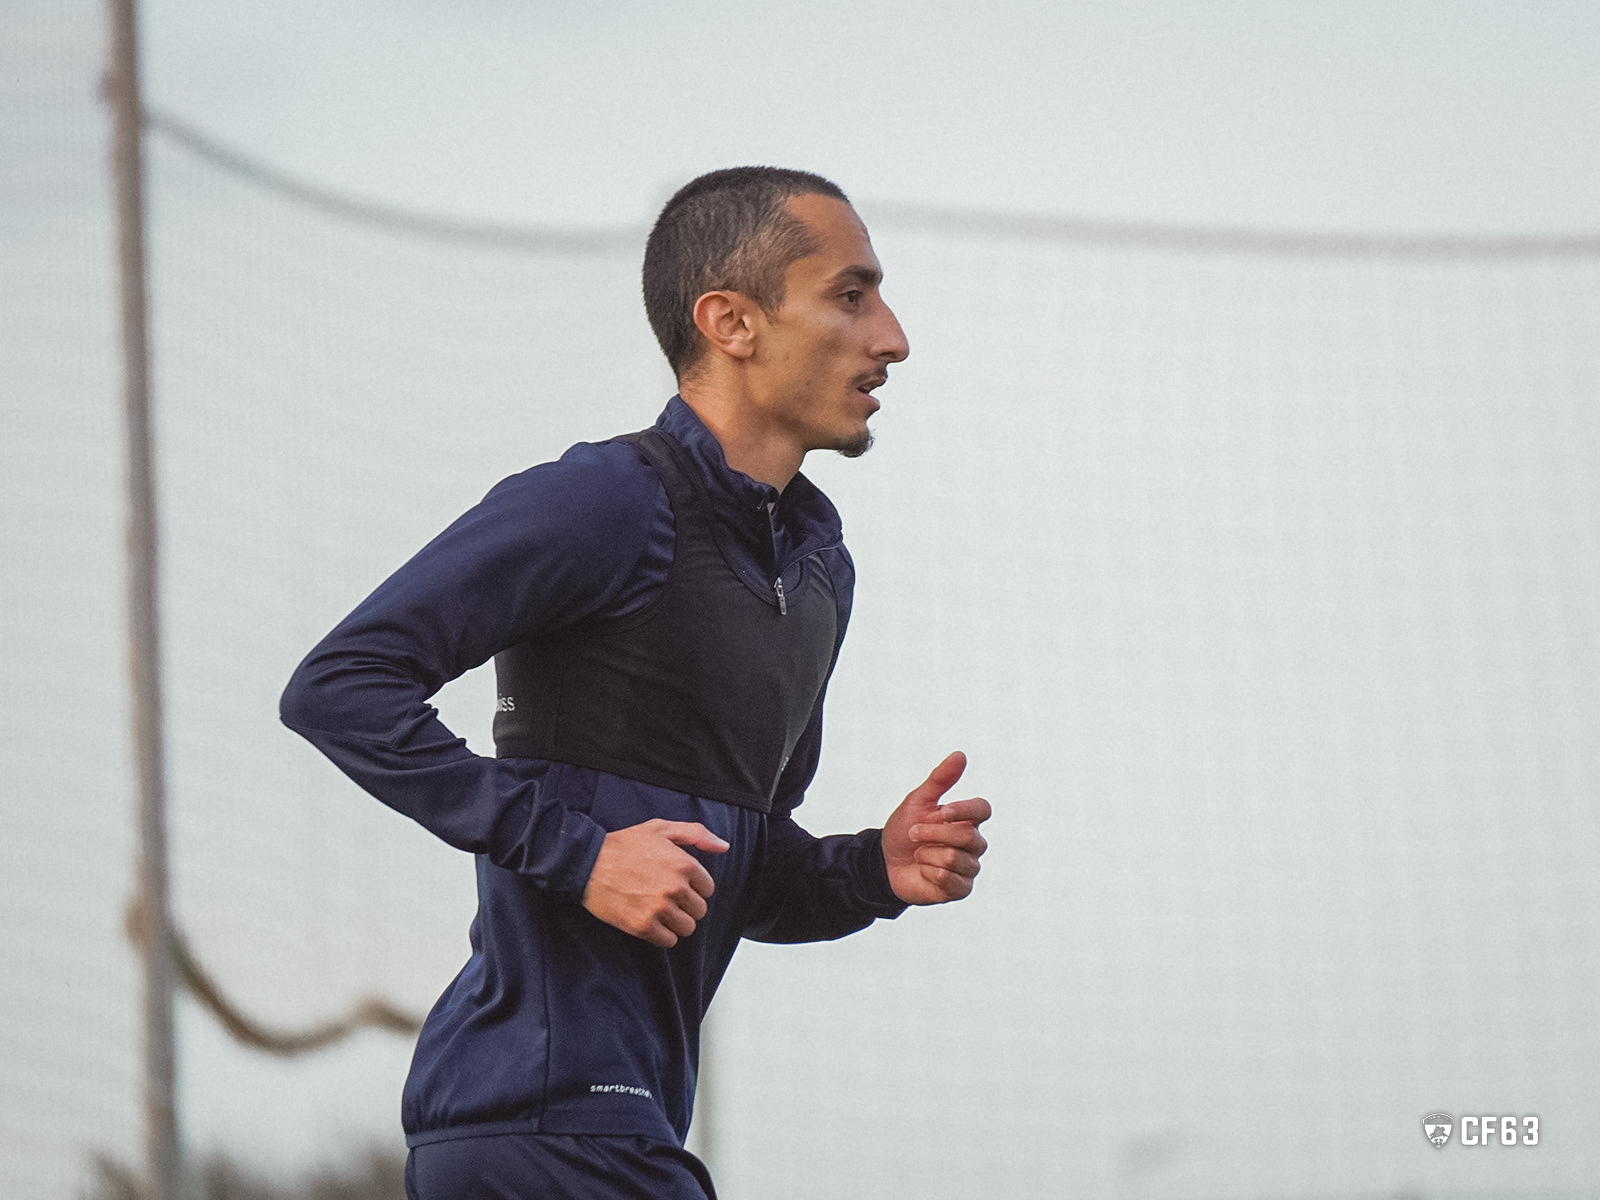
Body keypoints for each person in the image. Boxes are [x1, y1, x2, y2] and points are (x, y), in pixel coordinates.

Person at [280, 166, 992, 1200]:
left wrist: (873, 872)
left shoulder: (817, 570)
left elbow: (739, 878)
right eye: (850, 294)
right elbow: (340, 686)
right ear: (730, 322)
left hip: (612, 1128)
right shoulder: (605, 503)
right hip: (539, 1124)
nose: (892, 336)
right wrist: (576, 853)